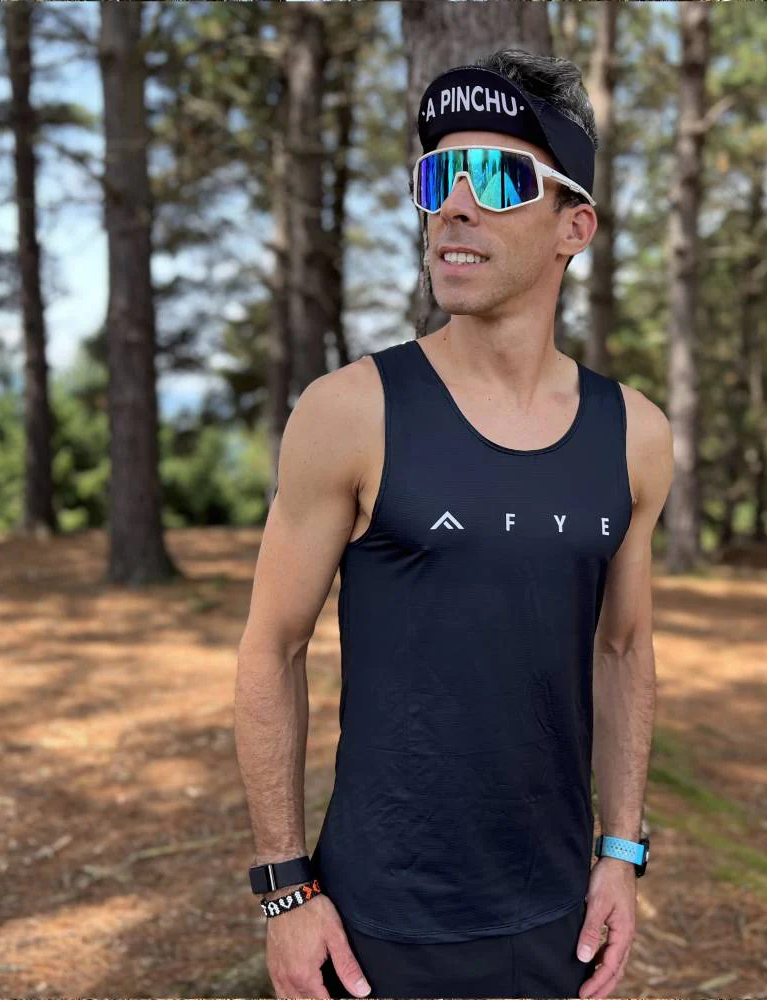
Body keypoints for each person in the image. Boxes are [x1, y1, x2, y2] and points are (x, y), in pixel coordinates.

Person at [234, 48, 672, 1000]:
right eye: (438, 179)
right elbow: (271, 648)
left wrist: (622, 852)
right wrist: (284, 890)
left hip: (559, 918)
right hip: (377, 930)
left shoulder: (635, 434)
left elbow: (623, 650)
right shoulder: (352, 411)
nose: (455, 207)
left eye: (499, 179)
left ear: (574, 226)